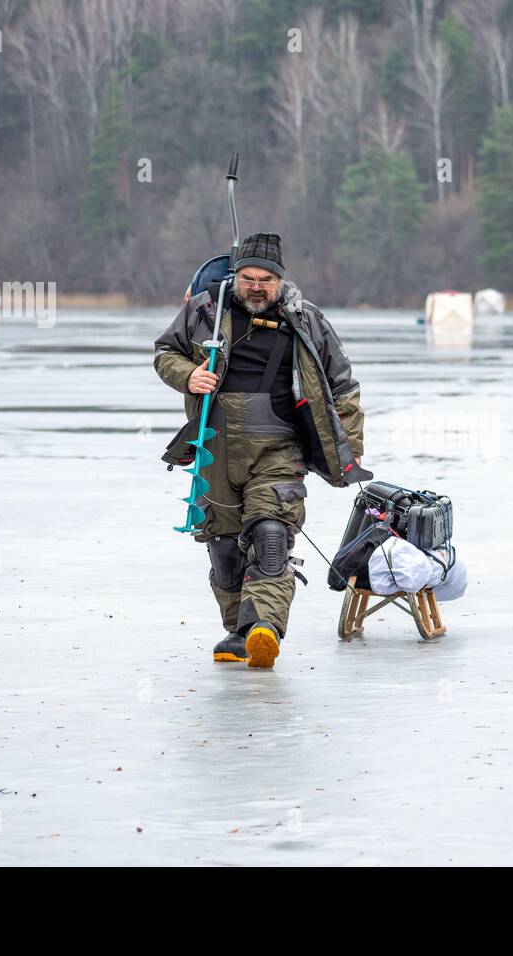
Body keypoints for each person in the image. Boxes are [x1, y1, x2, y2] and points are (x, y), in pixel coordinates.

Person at [154, 233, 369, 668]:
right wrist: (189, 375)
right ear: (237, 277)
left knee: (271, 536)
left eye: (266, 280)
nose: (256, 287)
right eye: (248, 278)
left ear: (280, 280)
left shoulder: (307, 321)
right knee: (224, 547)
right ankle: (239, 632)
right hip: (213, 446)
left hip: (279, 449)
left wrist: (352, 445)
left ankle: (264, 628)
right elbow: (164, 353)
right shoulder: (204, 312)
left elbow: (343, 387)